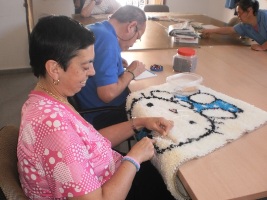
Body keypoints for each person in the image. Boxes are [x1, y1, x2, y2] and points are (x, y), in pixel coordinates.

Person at [17, 15, 176, 200]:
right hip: (108, 190)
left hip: (107, 174)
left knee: (164, 170)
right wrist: (134, 157)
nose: (92, 72)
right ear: (54, 69)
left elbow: (88, 141)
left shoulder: (45, 98)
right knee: (170, 180)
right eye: (85, 66)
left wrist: (139, 122)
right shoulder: (53, 125)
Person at [76, 5, 147, 130]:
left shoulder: (99, 29)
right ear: (131, 26)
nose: (134, 42)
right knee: (149, 104)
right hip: (100, 113)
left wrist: (116, 62)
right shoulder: (108, 41)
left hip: (84, 104)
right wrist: (131, 72)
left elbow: (96, 60)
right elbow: (107, 94)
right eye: (138, 37)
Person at [201, 0, 267, 51]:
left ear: (249, 11)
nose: (238, 16)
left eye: (240, 13)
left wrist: (262, 47)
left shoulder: (265, 16)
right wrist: (211, 31)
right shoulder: (245, 25)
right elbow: (230, 30)